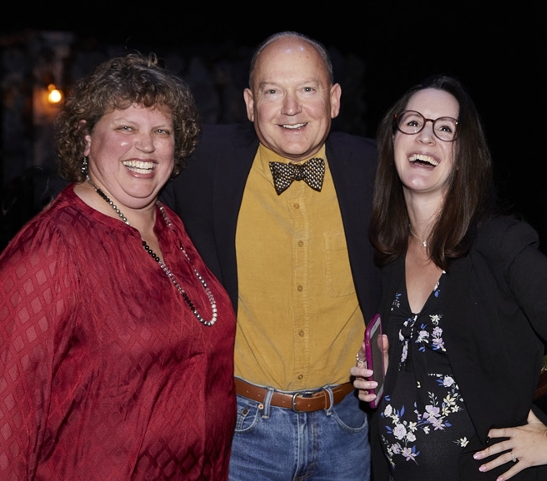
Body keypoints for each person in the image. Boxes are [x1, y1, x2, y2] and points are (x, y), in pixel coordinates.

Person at [349, 76, 547, 481]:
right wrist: (380, 373)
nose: (426, 137)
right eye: (413, 122)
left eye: (444, 128)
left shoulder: (497, 245)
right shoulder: (385, 254)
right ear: (392, 138)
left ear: (464, 156)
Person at [0, 54, 236, 480]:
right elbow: (3, 427)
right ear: (87, 138)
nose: (145, 145)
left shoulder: (172, 226)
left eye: (160, 131)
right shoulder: (50, 250)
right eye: (125, 128)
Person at [160, 32, 380, 480]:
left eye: (308, 89)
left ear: (334, 99)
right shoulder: (204, 163)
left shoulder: (376, 169)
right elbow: (127, 171)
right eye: (273, 91)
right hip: (245, 431)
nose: (291, 108)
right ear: (248, 103)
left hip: (349, 427)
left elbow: (451, 224)